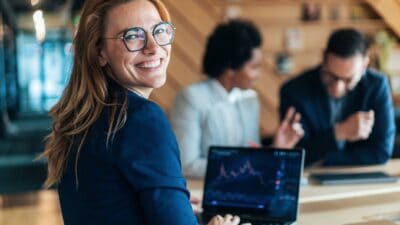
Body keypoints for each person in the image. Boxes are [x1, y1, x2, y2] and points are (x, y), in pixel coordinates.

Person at [41, 1, 248, 224]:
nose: (153, 47)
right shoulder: (141, 118)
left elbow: (109, 204)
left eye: (159, 31)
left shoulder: (85, 118)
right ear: (100, 51)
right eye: (133, 36)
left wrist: (175, 205)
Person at [170, 20, 304, 178]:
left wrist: (276, 147)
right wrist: (247, 164)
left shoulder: (250, 99)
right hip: (202, 194)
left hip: (243, 191)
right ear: (230, 68)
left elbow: (251, 154)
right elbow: (187, 165)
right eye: (254, 67)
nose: (259, 75)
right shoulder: (191, 98)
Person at [279, 28, 396, 166]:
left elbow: (381, 152)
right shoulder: (294, 91)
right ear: (323, 57)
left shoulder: (377, 85)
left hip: (362, 178)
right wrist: (339, 132)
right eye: (332, 76)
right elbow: (296, 155)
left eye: (348, 80)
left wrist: (325, 159)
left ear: (365, 64)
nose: (338, 87)